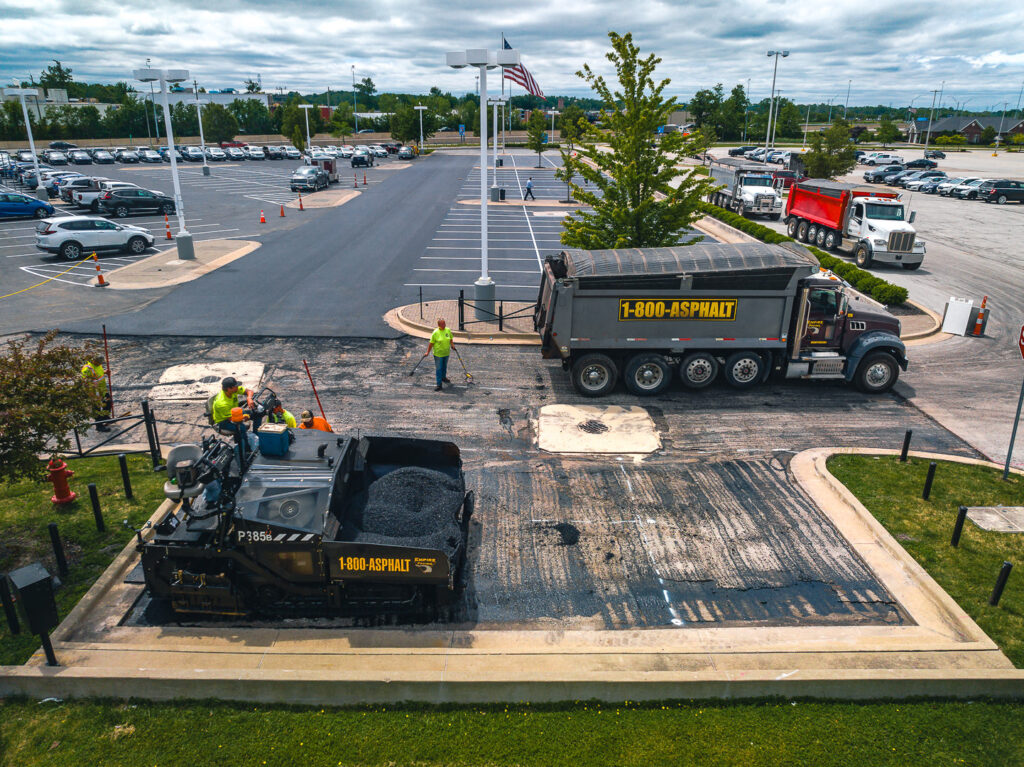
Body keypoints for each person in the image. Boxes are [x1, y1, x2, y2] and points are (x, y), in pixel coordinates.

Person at [210, 377, 259, 449]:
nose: (237, 387)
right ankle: (246, 448)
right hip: (223, 421)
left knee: (258, 413)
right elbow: (233, 420)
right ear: (229, 389)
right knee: (241, 427)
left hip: (236, 412)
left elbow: (249, 391)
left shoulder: (234, 390)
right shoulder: (222, 403)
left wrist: (249, 398)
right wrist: (245, 417)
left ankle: (256, 435)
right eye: (235, 386)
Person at [81, 354, 112, 432]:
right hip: (94, 392)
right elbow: (86, 381)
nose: (100, 364)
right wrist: (92, 393)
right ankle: (99, 425)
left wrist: (105, 372)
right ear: (94, 360)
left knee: (108, 402)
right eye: (99, 362)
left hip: (102, 390)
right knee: (97, 408)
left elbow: (99, 374)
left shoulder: (99, 365)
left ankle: (105, 417)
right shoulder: (87, 369)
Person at [426, 317, 454, 392]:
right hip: (438, 355)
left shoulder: (448, 330)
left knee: (444, 366)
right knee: (439, 369)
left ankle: (443, 377)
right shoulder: (435, 332)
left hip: (446, 353)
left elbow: (450, 338)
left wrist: (452, 345)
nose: (444, 325)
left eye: (444, 323)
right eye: (442, 324)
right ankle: (439, 384)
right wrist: (427, 352)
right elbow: (431, 343)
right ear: (439, 325)